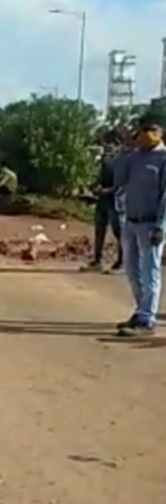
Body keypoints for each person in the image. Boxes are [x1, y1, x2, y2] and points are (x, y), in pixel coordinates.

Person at [112, 107, 166, 337]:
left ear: (160, 132)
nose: (145, 134)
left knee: (149, 271)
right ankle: (141, 309)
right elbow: (119, 178)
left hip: (151, 223)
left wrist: (161, 226)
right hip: (130, 222)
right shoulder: (134, 157)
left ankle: (147, 319)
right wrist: (127, 148)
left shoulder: (163, 158)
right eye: (142, 130)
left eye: (150, 130)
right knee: (132, 270)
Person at [82, 130, 125, 273]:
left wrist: (108, 190)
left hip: (116, 201)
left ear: (117, 144)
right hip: (103, 199)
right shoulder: (104, 160)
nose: (107, 146)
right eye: (105, 143)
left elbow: (123, 184)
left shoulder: (123, 160)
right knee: (99, 229)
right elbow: (100, 178)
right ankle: (97, 261)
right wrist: (93, 186)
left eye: (110, 143)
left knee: (119, 232)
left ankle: (121, 262)